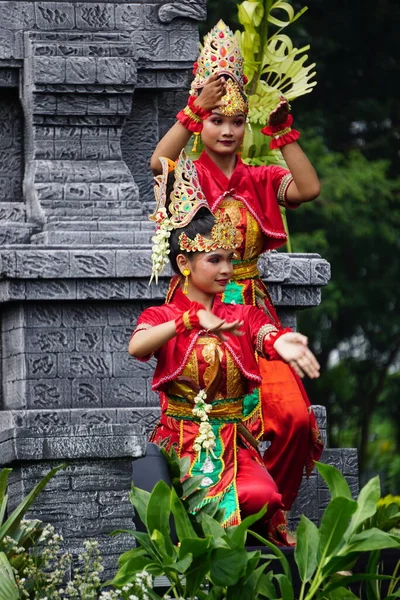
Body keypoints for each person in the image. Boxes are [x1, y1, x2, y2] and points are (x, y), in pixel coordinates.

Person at [149, 20, 324, 529]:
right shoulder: (190, 176)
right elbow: (159, 160)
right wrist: (192, 107)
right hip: (203, 316)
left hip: (255, 314)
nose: (227, 130)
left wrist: (283, 132)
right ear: (202, 124)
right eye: (217, 120)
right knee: (213, 423)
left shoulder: (261, 178)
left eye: (237, 121)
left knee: (293, 418)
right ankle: (220, 521)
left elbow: (308, 188)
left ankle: (273, 516)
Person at [129, 150, 320, 542]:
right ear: (185, 264)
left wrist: (282, 342)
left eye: (230, 260)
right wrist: (188, 321)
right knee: (222, 506)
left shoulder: (240, 313)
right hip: (183, 442)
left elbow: (264, 330)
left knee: (263, 497)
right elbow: (138, 346)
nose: (226, 270)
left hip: (233, 442)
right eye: (215, 260)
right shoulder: (163, 315)